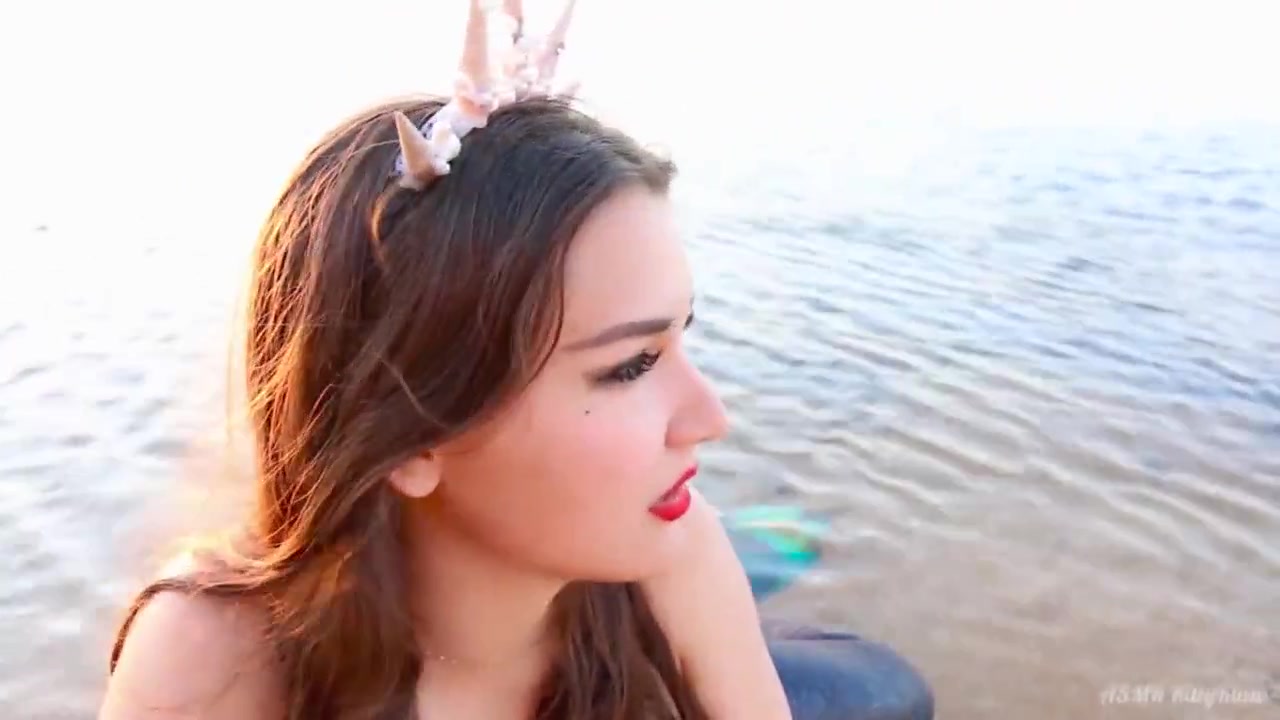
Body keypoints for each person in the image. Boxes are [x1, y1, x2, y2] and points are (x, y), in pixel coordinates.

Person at [98, 0, 795, 718]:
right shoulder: (213, 662)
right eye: (630, 366)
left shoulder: (674, 560)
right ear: (411, 432)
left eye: (682, 336)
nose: (710, 418)